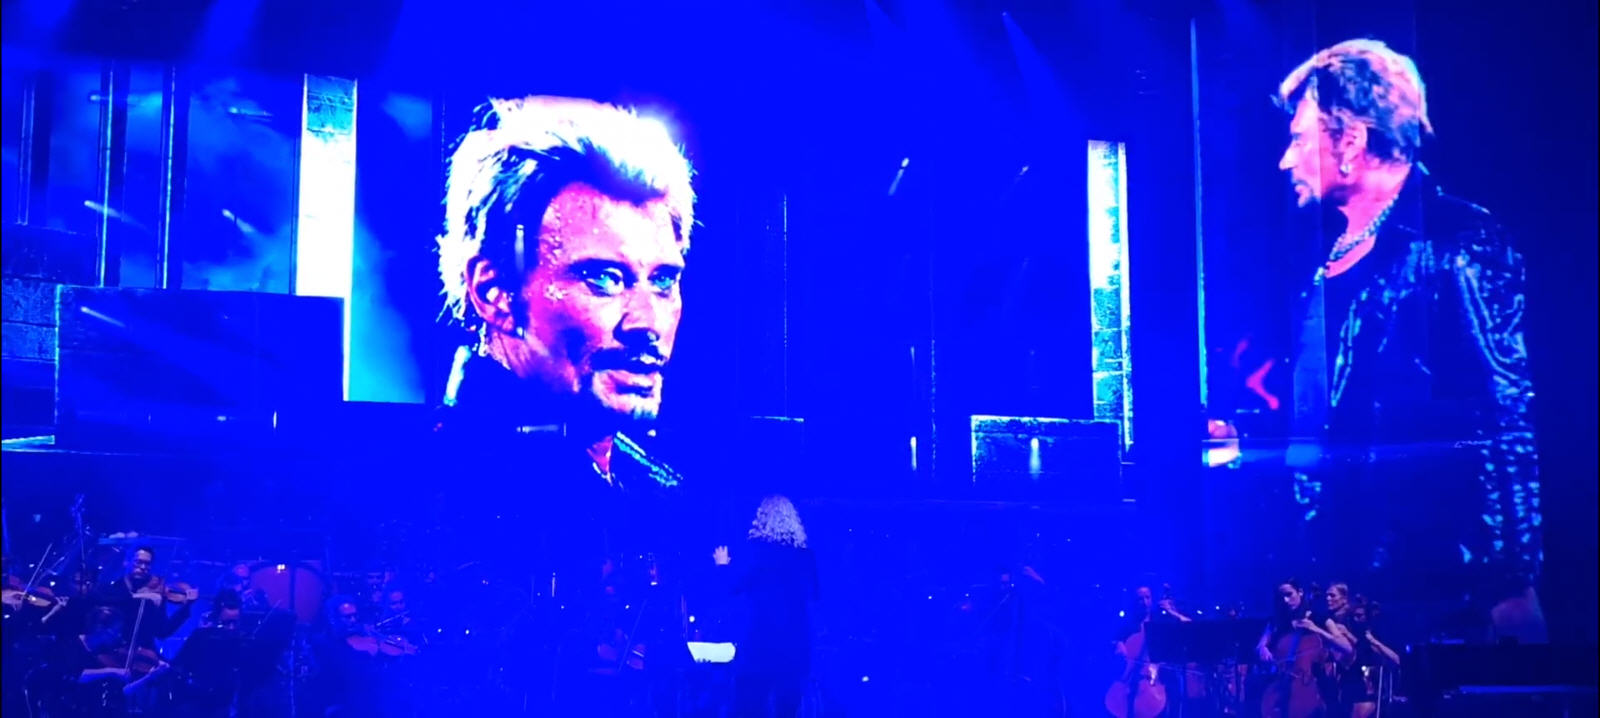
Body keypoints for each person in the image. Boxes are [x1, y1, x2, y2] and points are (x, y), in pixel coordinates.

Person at [1271, 39, 1543, 640]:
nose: (1287, 160)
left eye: (1299, 139)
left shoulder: (1455, 240)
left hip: (1437, 582)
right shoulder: (1325, 258)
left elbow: (1503, 412)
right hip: (1351, 576)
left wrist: (1511, 583)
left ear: (1350, 142)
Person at [713, 496, 819, 718]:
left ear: (761, 519)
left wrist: (722, 566)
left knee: (748, 707)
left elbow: (732, 590)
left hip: (759, 643)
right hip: (794, 645)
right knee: (787, 709)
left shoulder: (756, 554)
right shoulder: (805, 557)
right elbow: (813, 597)